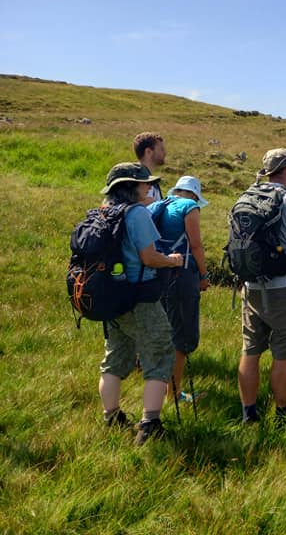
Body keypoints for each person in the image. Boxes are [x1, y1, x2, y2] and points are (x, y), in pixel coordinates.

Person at [97, 162, 183, 445]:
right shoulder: (136, 214)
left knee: (115, 356)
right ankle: (150, 425)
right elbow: (149, 257)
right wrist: (171, 260)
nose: (149, 187)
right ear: (130, 188)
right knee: (159, 355)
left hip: (110, 297)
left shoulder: (101, 212)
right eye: (144, 183)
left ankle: (111, 417)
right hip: (140, 297)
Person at [237, 148, 286, 424]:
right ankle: (283, 414)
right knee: (283, 353)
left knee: (251, 350)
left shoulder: (246, 196)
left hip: (251, 285)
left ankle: (249, 413)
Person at [148, 175, 210, 404]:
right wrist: (203, 275)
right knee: (181, 334)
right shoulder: (189, 207)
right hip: (182, 275)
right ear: (194, 194)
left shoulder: (159, 205)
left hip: (159, 273)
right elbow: (196, 245)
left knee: (164, 330)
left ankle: (159, 389)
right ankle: (174, 394)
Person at [133, 132, 166, 203]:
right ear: (148, 152)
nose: (165, 153)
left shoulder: (151, 180)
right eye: (161, 149)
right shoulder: (136, 181)